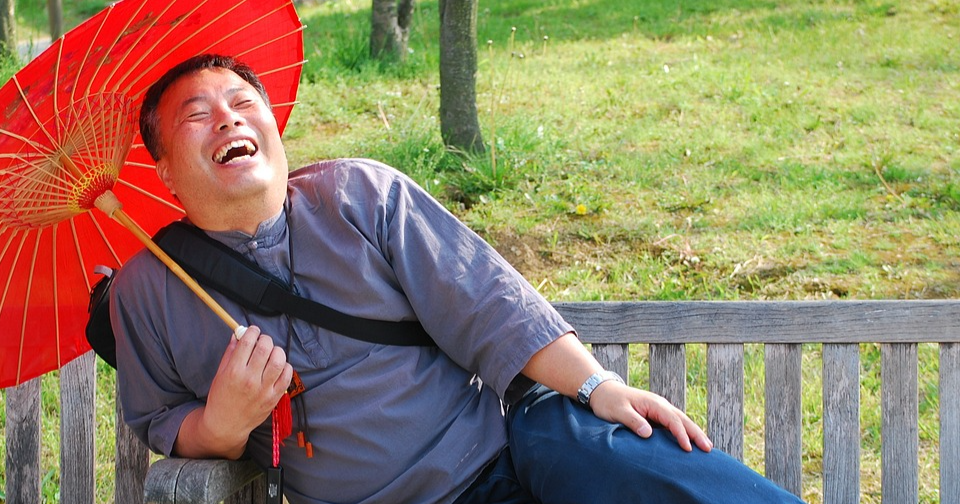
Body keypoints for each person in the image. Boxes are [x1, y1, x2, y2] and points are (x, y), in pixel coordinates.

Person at [113, 54, 806, 504]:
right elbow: (160, 418)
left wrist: (598, 385)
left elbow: (490, 306)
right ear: (164, 169)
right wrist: (223, 423)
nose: (227, 117)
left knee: (632, 464)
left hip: (503, 461)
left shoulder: (359, 197)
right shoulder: (147, 290)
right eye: (196, 115)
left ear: (273, 126)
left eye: (242, 102)